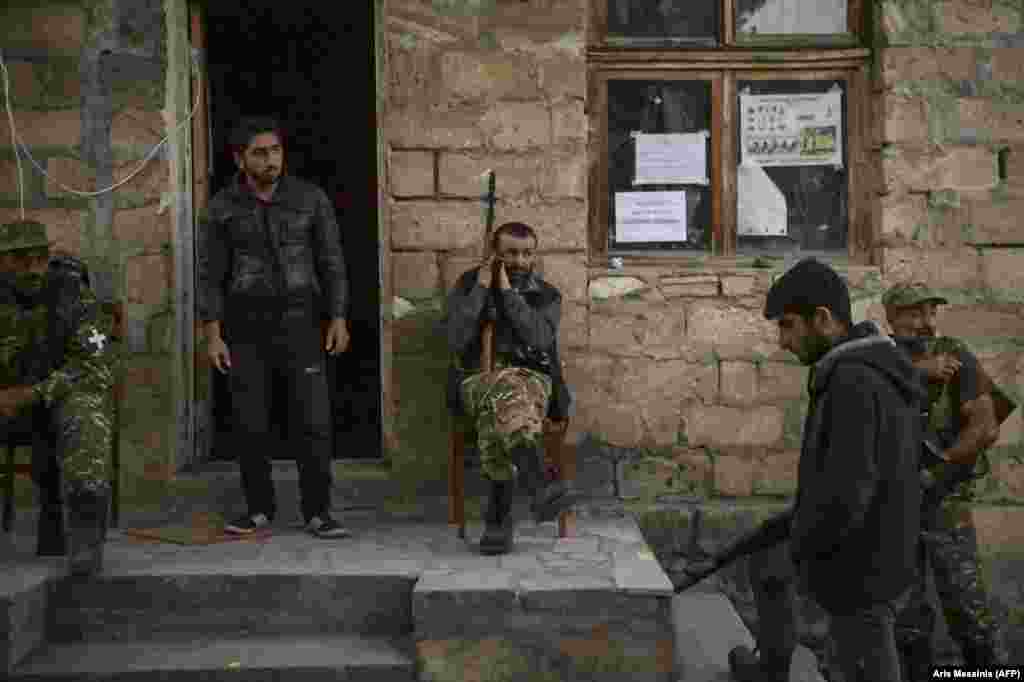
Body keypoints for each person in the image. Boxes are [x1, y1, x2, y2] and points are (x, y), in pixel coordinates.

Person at [677, 258, 926, 682]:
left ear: (823, 319)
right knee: (769, 564)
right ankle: (770, 668)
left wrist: (804, 551)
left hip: (861, 566)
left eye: (788, 326)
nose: (783, 341)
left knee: (863, 657)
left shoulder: (854, 381)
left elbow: (849, 492)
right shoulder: (861, 370)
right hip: (874, 551)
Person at [197, 116, 351, 539]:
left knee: (313, 421)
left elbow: (332, 262)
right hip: (245, 323)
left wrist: (338, 317)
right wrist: (212, 333)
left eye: (275, 151)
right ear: (239, 158)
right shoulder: (223, 207)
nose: (270, 160)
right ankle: (258, 509)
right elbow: (209, 274)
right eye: (260, 153)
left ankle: (318, 512)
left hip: (302, 320)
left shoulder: (309, 198)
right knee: (250, 422)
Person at [883, 282, 1013, 676]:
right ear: (891, 317)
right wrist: (916, 371)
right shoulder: (880, 358)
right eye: (914, 313)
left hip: (944, 503)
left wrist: (938, 468)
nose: (925, 323)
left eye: (930, 312)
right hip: (895, 509)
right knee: (905, 622)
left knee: (969, 614)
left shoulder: (954, 354)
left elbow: (986, 426)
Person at [446, 221, 575, 555]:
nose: (519, 261)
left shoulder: (546, 295)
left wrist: (506, 293)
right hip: (476, 381)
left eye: (526, 253)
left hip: (533, 384)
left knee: (502, 401)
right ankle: (538, 482)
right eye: (511, 253)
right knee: (503, 391)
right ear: (495, 253)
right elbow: (456, 339)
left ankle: (498, 521)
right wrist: (481, 290)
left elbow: (539, 337)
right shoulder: (468, 285)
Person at [0, 219, 117, 575]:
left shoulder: (73, 293)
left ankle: (84, 538)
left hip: (57, 397)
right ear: (3, 261)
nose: (32, 268)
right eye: (20, 259)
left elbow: (94, 366)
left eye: (38, 258)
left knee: (87, 410)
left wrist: (33, 394)